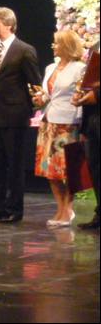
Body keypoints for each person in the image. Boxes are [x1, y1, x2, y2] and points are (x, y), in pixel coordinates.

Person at [0, 7, 41, 223]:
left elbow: (34, 83)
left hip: (14, 116)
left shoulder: (25, 50)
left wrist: (30, 109)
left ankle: (15, 209)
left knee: (14, 165)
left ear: (8, 24)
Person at [33, 30, 86, 227]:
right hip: (48, 121)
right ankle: (59, 207)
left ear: (66, 45)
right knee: (49, 169)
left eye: (56, 43)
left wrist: (80, 124)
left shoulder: (79, 68)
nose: (53, 46)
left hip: (68, 123)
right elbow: (48, 95)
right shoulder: (50, 67)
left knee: (67, 169)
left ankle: (68, 208)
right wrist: (41, 99)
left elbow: (80, 97)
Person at [73, 41, 100, 230]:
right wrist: (81, 96)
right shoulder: (96, 47)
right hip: (93, 120)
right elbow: (89, 82)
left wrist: (97, 94)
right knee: (95, 169)